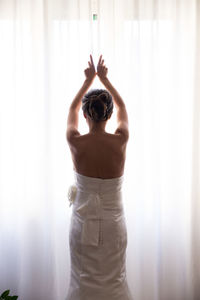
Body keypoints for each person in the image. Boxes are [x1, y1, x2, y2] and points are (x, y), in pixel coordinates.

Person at [65, 55, 133, 300]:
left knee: (82, 281)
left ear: (86, 115)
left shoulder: (75, 141)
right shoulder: (120, 140)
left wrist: (87, 82)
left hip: (83, 221)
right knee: (115, 279)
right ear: (109, 114)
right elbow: (124, 108)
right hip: (114, 224)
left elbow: (71, 109)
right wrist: (105, 79)